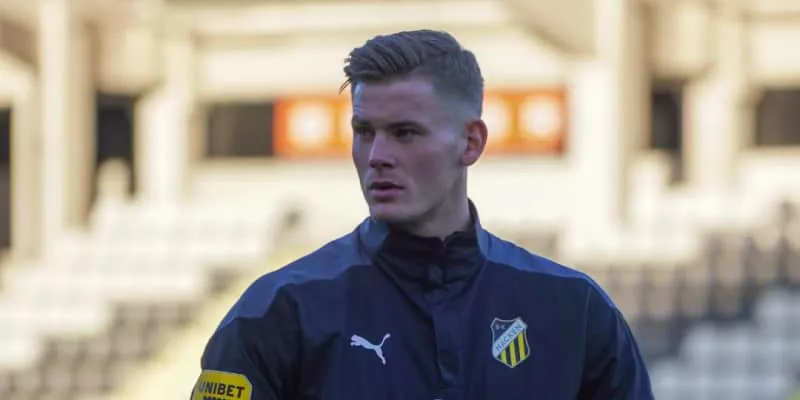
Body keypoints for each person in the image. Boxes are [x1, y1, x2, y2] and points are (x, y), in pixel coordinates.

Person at [190, 29, 653, 400]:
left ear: (471, 142)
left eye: (405, 133)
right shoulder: (277, 312)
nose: (377, 156)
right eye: (364, 131)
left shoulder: (575, 311)